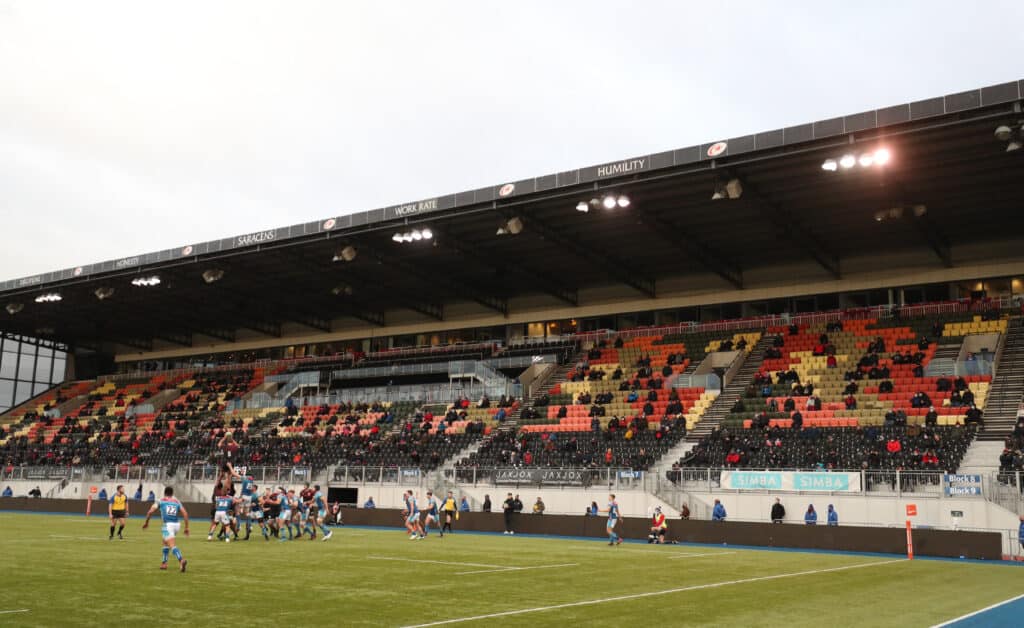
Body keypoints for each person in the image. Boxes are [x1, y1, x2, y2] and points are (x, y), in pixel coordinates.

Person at [142, 486, 189, 572]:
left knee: (171, 545)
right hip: (177, 525)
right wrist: (186, 528)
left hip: (167, 526)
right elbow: (185, 514)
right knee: (165, 542)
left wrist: (146, 522)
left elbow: (150, 512)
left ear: (164, 493)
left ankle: (181, 560)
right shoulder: (176, 501)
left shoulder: (160, 500)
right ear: (172, 493)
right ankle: (164, 563)